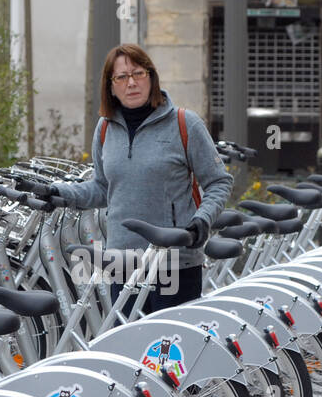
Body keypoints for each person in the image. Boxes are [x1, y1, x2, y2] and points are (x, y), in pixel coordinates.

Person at [35, 44, 233, 312]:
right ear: (111, 86)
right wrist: (57, 193)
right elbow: (102, 188)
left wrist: (201, 221)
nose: (131, 83)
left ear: (151, 77)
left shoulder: (185, 124)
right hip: (122, 261)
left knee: (169, 350)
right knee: (127, 348)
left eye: (138, 73)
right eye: (122, 77)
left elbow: (219, 182)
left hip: (173, 260)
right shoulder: (105, 128)